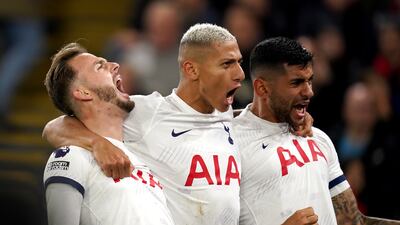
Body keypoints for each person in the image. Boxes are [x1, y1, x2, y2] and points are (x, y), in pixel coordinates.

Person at [43, 24, 315, 225]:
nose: (239, 74)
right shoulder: (148, 113)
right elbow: (56, 126)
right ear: (192, 70)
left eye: (239, 63)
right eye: (226, 64)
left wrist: (295, 116)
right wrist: (96, 143)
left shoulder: (232, 122)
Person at [233, 36, 400, 224]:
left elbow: (351, 220)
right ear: (262, 88)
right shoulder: (230, 143)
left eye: (309, 81)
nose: (309, 92)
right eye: (296, 83)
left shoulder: (317, 137)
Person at [42, 43, 174, 225]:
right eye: (99, 66)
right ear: (83, 92)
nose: (115, 65)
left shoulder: (141, 158)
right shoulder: (72, 156)